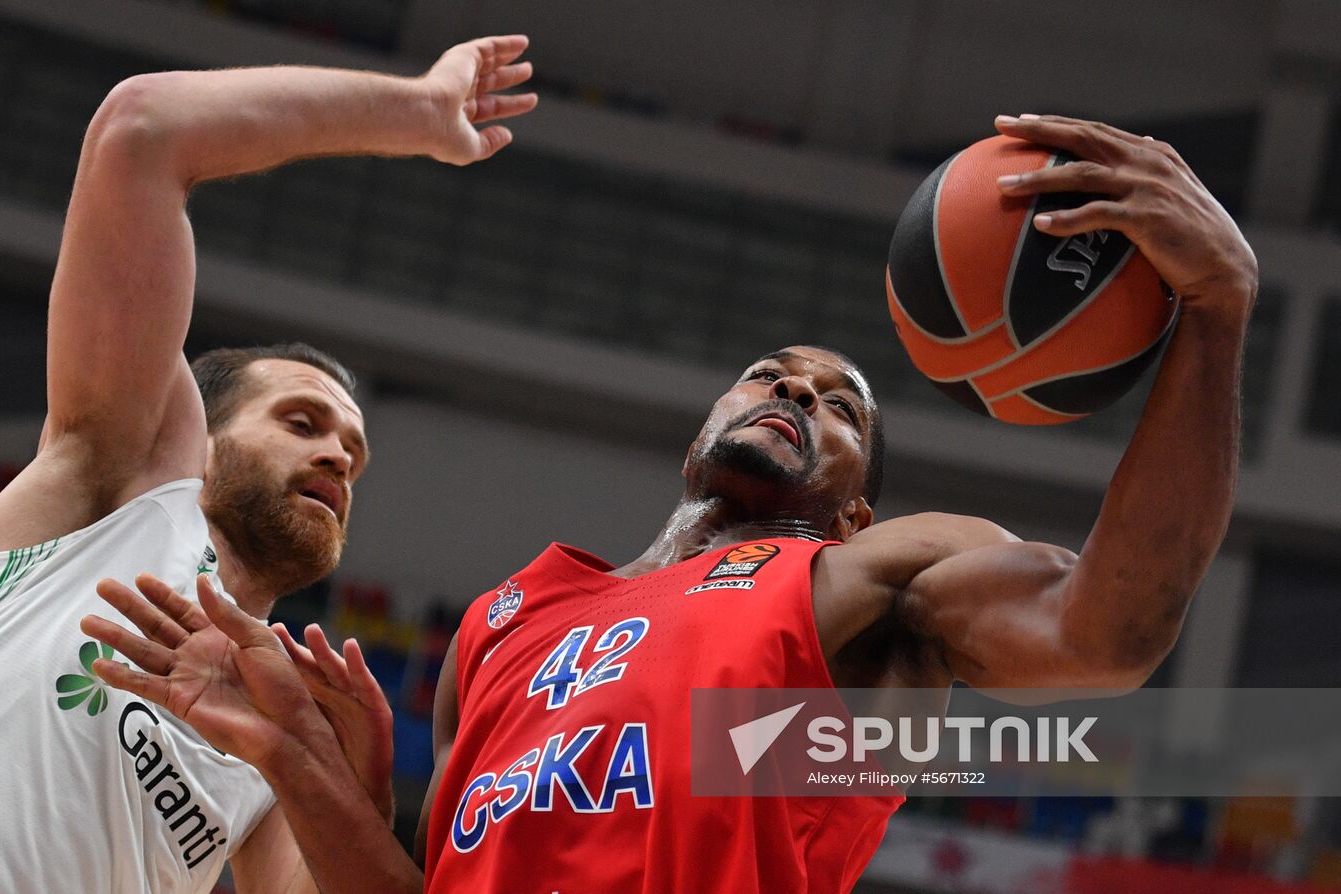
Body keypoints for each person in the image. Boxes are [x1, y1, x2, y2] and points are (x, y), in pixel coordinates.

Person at [85, 113, 1258, 893]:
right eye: (768, 372)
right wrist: (305, 767)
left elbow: (1111, 629)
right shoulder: (504, 623)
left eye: (838, 405)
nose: (793, 386)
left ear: (854, 512)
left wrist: (1211, 310)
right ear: (701, 427)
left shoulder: (870, 583)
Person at [0, 36, 536, 893]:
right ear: (203, 442)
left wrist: (354, 787)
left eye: (353, 455)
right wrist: (417, 113)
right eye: (302, 421)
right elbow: (139, 132)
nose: (337, 452)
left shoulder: (277, 719)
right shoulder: (119, 482)